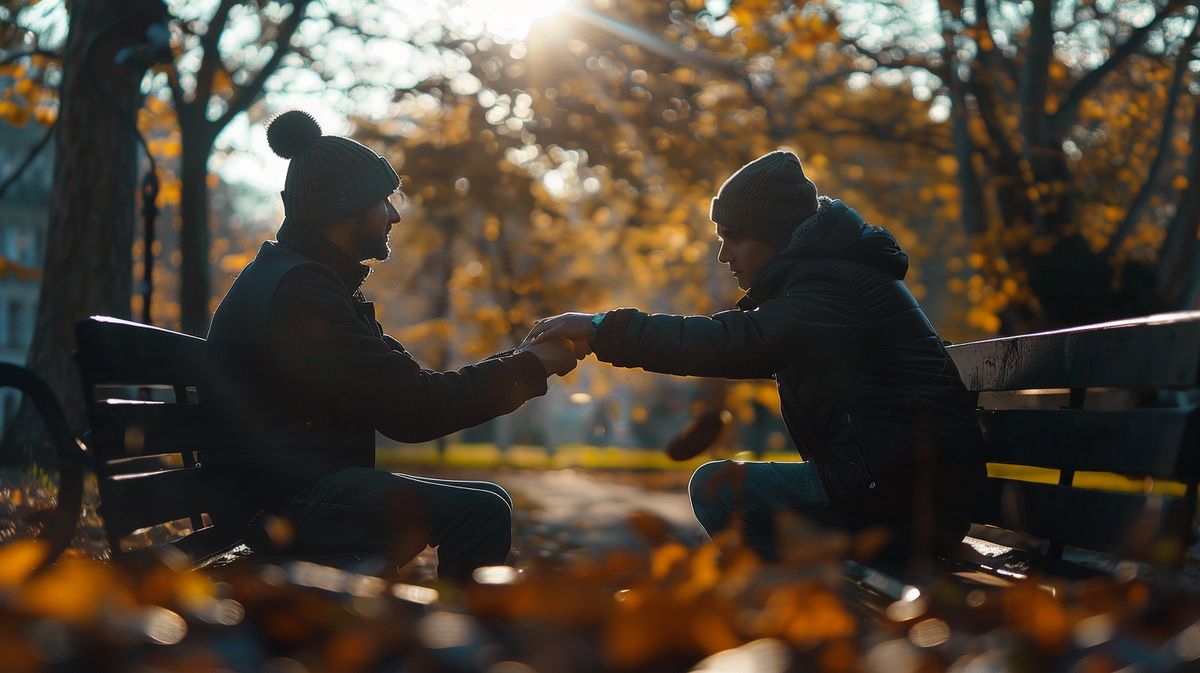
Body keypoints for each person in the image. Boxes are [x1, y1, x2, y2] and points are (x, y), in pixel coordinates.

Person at [526, 150, 986, 562]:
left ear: (772, 233)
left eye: (734, 238)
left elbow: (732, 342)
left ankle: (783, 617)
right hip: (907, 488)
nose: (724, 255)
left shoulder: (828, 288)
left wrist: (600, 327)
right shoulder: (831, 277)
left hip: (905, 498)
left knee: (716, 488)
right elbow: (739, 343)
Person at [204, 110, 580, 580]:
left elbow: (412, 390)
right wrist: (532, 367)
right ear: (344, 207)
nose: (396, 214)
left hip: (281, 491)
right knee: (480, 511)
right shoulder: (302, 293)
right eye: (384, 200)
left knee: (491, 501)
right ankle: (458, 647)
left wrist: (523, 360)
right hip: (277, 507)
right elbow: (413, 412)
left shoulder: (310, 282)